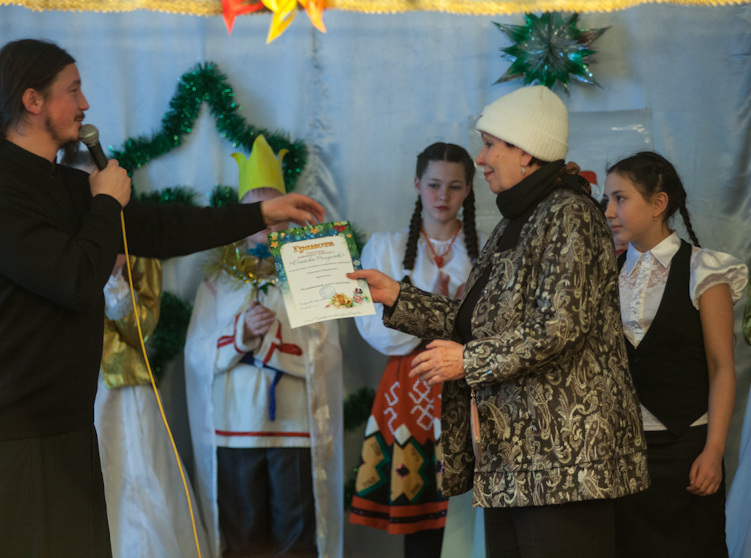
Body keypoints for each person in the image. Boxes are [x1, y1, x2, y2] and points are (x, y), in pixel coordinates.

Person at [0, 39, 325, 558]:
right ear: (32, 100)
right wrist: (104, 202)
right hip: (1, 432)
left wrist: (259, 215)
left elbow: (160, 227)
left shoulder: (64, 185)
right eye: (73, 90)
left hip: (61, 422)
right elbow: (74, 277)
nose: (85, 103)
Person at [350, 86, 649, 558]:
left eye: (490, 144)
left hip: (564, 459)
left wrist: (467, 360)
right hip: (511, 456)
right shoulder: (518, 218)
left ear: (525, 152)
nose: (481, 158)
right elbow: (477, 320)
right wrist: (398, 297)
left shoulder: (569, 214)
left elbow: (559, 327)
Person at [185, 135, 342, 558]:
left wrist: (273, 347)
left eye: (275, 213)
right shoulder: (218, 279)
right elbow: (196, 354)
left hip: (295, 432)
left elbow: (331, 354)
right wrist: (239, 336)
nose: (267, 225)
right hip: (234, 429)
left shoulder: (312, 271)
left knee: (296, 536)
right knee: (243, 537)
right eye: (256, 215)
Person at [603, 152, 747, 558]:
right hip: (620, 451)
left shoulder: (704, 269)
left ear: (658, 204)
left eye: (620, 198)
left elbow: (721, 367)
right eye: (607, 199)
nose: (609, 211)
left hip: (685, 449)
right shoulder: (606, 273)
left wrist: (713, 451)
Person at [348, 142, 482, 558]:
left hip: (467, 387)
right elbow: (372, 328)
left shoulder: (486, 249)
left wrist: (427, 311)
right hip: (409, 389)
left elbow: (497, 328)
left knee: (468, 512)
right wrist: (438, 311)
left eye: (455, 186)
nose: (443, 196)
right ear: (417, 185)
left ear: (468, 190)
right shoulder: (385, 248)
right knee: (420, 515)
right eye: (434, 185)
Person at [93, 253, 211, 558]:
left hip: (121, 384)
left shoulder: (135, 247)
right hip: (67, 384)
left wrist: (114, 278)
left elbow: (142, 327)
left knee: (136, 471)